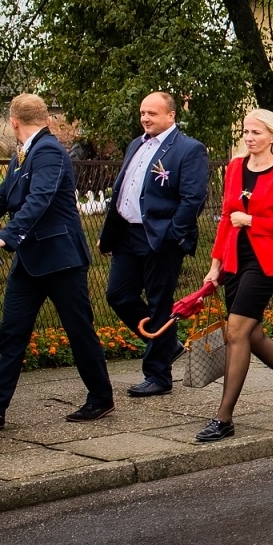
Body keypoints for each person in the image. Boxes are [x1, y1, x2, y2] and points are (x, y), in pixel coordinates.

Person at [0, 94, 114, 428]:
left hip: (61, 260)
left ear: (13, 122)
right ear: (46, 117)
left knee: (78, 330)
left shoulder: (50, 152)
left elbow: (40, 199)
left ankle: (101, 397)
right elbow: (0, 199)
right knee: (11, 333)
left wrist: (5, 237)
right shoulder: (22, 155)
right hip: (29, 263)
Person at [196, 109, 273, 442]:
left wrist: (251, 221)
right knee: (252, 334)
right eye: (246, 132)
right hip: (234, 258)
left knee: (236, 332)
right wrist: (215, 264)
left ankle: (223, 418)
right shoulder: (235, 167)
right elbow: (225, 217)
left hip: (264, 263)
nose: (249, 138)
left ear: (272, 137)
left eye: (256, 133)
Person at [99, 92, 210, 397]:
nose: (145, 118)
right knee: (118, 295)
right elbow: (125, 188)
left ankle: (158, 376)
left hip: (161, 238)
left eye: (152, 113)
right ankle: (166, 344)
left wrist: (172, 235)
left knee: (160, 301)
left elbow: (193, 199)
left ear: (171, 116)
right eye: (142, 113)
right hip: (127, 235)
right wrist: (110, 232)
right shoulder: (137, 143)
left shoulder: (189, 150)